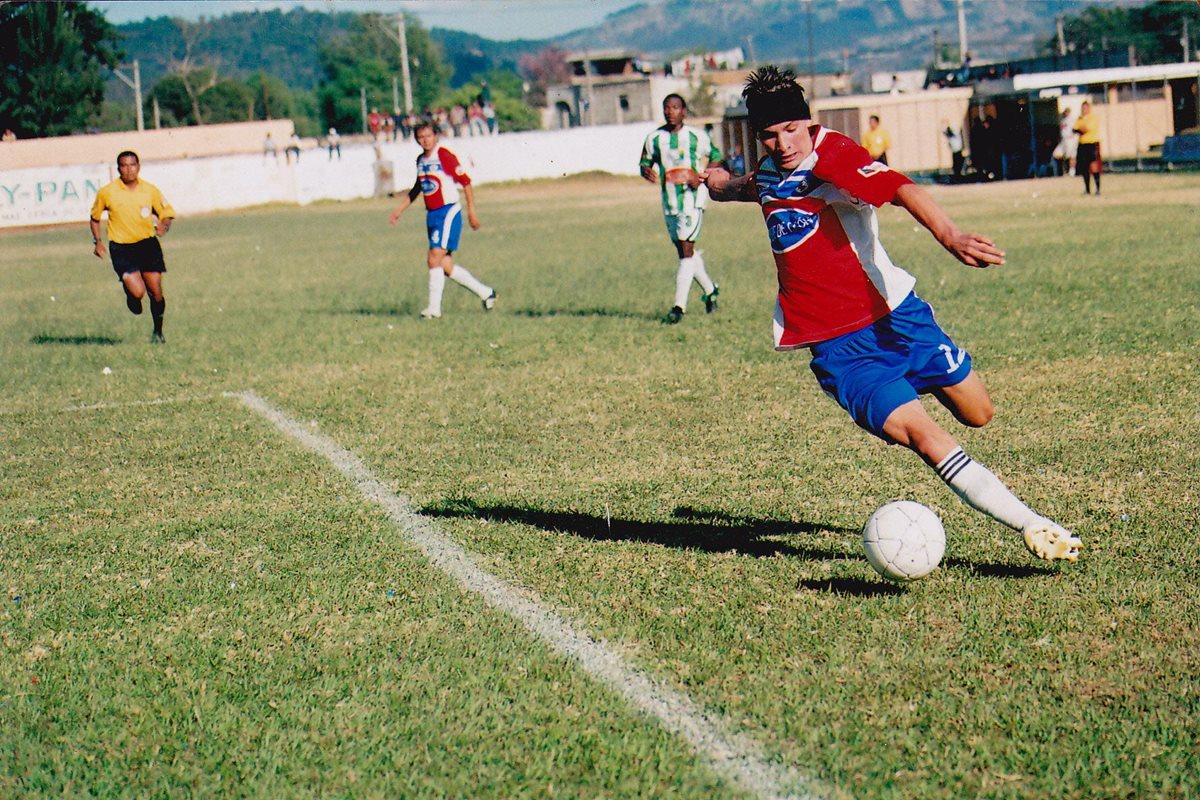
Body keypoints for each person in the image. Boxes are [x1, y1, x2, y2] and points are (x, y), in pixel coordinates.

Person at [701, 66, 1080, 563]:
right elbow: (755, 186)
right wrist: (720, 184)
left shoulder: (833, 156)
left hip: (897, 318)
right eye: (770, 136)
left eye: (792, 129)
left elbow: (901, 188)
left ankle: (917, 384)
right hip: (840, 348)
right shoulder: (772, 170)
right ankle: (1034, 524)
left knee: (978, 413)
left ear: (808, 122)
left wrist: (951, 237)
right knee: (926, 437)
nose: (784, 143)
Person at [388, 121, 496, 319]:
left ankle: (433, 310)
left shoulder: (444, 156)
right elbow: (418, 188)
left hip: (448, 211)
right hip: (432, 214)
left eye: (428, 136)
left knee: (433, 258)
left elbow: (466, 182)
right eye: (421, 137)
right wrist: (399, 210)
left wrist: (472, 211)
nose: (425, 140)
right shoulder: (421, 160)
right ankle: (486, 293)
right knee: (444, 265)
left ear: (436, 136)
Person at [638, 93, 723, 324]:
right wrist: (646, 171)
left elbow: (716, 156)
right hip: (670, 201)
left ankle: (678, 307)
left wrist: (701, 175)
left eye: (675, 107)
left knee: (686, 251)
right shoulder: (655, 138)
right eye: (667, 107)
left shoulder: (697, 136)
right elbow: (644, 162)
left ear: (684, 111)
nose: (670, 111)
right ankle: (710, 290)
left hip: (692, 200)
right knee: (685, 252)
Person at [89, 151, 175, 344]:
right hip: (122, 247)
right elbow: (95, 218)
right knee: (138, 293)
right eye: (124, 166)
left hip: (147, 244)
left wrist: (164, 224)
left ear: (139, 166)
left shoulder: (150, 190)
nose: (129, 170)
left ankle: (158, 333)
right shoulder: (107, 192)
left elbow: (166, 213)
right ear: (118, 168)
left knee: (156, 292)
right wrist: (97, 241)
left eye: (132, 165)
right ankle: (131, 294)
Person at [1073, 101, 1102, 195]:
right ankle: (1087, 189)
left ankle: (1098, 189)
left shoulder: (1092, 118)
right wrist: (1080, 129)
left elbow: (1085, 129)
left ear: (1089, 108)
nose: (1084, 110)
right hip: (1082, 144)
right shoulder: (1080, 118)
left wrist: (1080, 129)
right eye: (1082, 108)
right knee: (1084, 167)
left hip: (1091, 143)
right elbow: (1074, 129)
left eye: (1085, 108)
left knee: (1093, 166)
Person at [1052, 107, 1076, 177]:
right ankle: (1063, 170)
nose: (1067, 113)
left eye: (1068, 112)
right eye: (1066, 112)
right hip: (1064, 140)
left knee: (1072, 156)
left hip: (1071, 140)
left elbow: (1075, 130)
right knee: (1056, 154)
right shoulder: (1063, 120)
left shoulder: (1072, 120)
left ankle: (1072, 171)